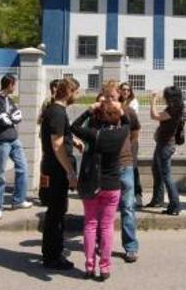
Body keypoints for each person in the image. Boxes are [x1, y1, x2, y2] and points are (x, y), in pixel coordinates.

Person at [70, 100, 130, 281]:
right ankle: (105, 267)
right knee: (107, 226)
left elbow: (73, 126)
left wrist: (89, 110)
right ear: (116, 119)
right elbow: (128, 122)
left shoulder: (93, 134)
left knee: (90, 224)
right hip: (112, 185)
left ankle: (89, 266)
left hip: (91, 184)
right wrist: (120, 109)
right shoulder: (121, 133)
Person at [39, 78, 79, 270]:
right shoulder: (57, 112)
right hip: (56, 171)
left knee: (56, 212)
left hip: (53, 168)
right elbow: (57, 144)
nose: (77, 96)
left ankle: (52, 251)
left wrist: (75, 141)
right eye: (76, 92)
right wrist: (70, 171)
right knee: (55, 214)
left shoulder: (56, 111)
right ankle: (52, 257)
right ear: (69, 92)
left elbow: (60, 137)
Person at [0, 74, 32, 221]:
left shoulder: (9, 100)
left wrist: (11, 116)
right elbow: (2, 119)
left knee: (23, 168)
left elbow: (18, 116)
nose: (15, 87)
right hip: (1, 141)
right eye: (14, 84)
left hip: (14, 140)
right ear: (9, 85)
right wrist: (10, 117)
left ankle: (18, 200)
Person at [145, 86, 184, 216]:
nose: (165, 97)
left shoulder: (174, 110)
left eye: (166, 95)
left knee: (166, 176)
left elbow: (154, 115)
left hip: (166, 146)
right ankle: (157, 200)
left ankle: (175, 206)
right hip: (163, 144)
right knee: (156, 170)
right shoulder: (173, 108)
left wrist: (153, 100)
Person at [116, 82, 141, 262]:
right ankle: (102, 242)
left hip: (125, 164)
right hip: (108, 167)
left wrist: (127, 152)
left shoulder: (129, 111)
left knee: (127, 207)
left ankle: (130, 246)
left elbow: (135, 133)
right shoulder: (100, 113)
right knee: (107, 209)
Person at [119, 82, 144, 208]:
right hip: (120, 140)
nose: (125, 92)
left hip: (132, 140)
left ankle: (138, 194)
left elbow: (131, 120)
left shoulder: (133, 102)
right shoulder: (118, 102)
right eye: (123, 89)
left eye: (128, 90)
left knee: (133, 166)